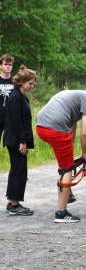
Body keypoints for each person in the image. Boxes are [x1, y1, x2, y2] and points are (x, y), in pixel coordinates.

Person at [36, 83, 86, 223]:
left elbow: (72, 126)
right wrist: (85, 153)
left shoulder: (73, 95)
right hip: (56, 129)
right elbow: (84, 133)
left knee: (65, 165)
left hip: (41, 127)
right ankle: (61, 213)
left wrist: (70, 149)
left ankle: (66, 190)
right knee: (67, 170)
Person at [4, 65, 36, 215]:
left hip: (17, 139)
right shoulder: (16, 97)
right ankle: (15, 205)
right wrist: (22, 142)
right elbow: (16, 121)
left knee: (19, 170)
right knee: (19, 171)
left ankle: (12, 202)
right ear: (21, 82)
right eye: (30, 83)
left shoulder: (21, 95)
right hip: (15, 140)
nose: (32, 85)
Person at [0, 54, 15, 141]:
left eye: (10, 65)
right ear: (0, 65)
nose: (8, 66)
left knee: (12, 142)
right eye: (5, 64)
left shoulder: (15, 81)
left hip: (11, 117)